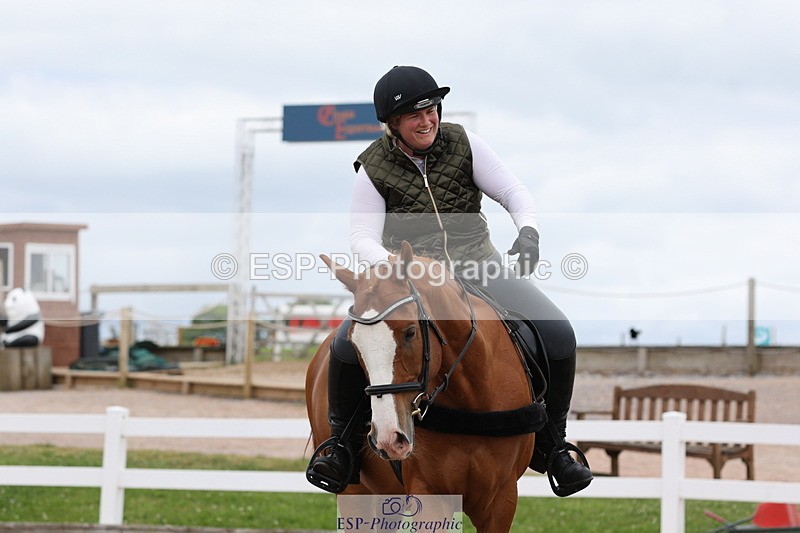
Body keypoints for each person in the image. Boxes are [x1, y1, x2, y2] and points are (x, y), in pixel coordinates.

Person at [306, 65, 592, 496]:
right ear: (393, 123)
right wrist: (399, 269)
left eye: (432, 110)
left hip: (480, 265)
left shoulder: (464, 143)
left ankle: (554, 446)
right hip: (414, 277)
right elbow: (362, 237)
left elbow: (513, 192)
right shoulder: (373, 167)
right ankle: (341, 448)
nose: (427, 121)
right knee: (346, 344)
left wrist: (528, 231)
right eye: (414, 115)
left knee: (558, 332)